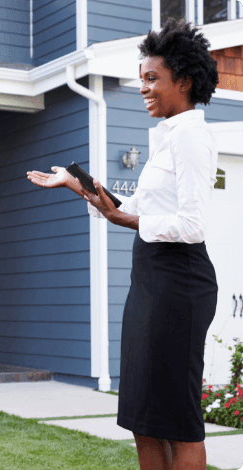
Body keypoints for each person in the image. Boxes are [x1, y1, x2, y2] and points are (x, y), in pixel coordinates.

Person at [27, 19, 219, 470]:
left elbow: (192, 224)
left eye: (152, 78)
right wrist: (77, 184)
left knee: (177, 417)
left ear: (184, 81)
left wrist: (121, 217)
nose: (143, 88)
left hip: (179, 284)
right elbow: (134, 205)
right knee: (144, 414)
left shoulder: (191, 135)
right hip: (151, 281)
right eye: (142, 79)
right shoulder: (168, 135)